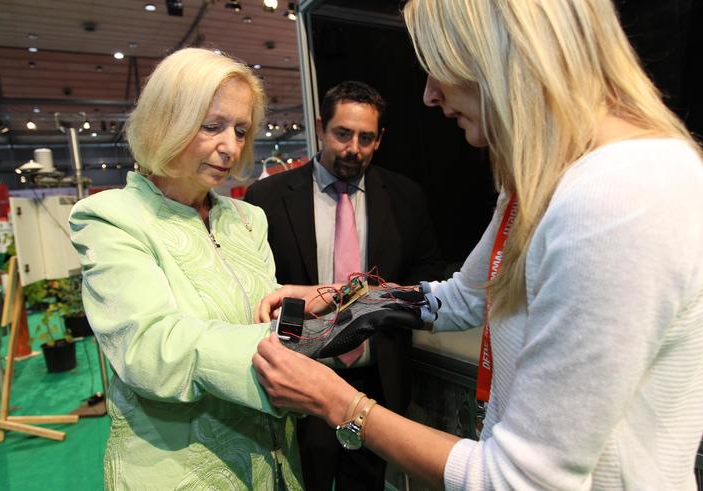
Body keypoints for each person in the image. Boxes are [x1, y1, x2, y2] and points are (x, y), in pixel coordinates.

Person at [252, 0, 703, 489]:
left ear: (499, 54)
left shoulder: (621, 194)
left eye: (438, 67)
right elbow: (464, 298)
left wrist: (338, 402)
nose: (428, 95)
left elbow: (519, 479)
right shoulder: (539, 182)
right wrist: (343, 300)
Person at [68, 48, 304, 490]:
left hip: (274, 462)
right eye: (212, 126)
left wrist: (313, 309)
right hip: (179, 471)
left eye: (240, 130)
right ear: (165, 121)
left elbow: (263, 310)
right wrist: (283, 349)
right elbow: (149, 347)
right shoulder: (112, 217)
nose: (230, 146)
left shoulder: (246, 218)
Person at [245, 80, 444, 490]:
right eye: (342, 134)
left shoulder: (405, 197)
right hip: (301, 378)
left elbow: (427, 275)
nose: (353, 148)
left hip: (377, 381)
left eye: (366, 138)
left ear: (380, 139)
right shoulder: (267, 197)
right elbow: (258, 284)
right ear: (321, 128)